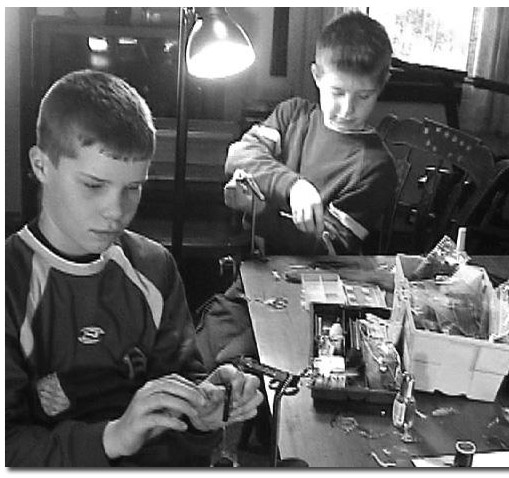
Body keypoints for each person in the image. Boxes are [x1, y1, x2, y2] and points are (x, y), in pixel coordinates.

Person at [5, 69, 263, 467]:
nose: (116, 211)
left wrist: (204, 403)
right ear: (41, 166)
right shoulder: (12, 284)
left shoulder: (152, 266)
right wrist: (113, 437)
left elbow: (180, 382)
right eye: (93, 185)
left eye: (133, 188)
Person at [196, 10, 397, 368]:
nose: (347, 109)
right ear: (316, 75)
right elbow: (240, 155)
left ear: (381, 87)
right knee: (202, 350)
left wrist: (261, 211)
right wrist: (294, 186)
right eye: (337, 91)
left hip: (321, 296)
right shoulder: (292, 115)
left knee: (240, 364)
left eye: (363, 96)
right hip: (256, 276)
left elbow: (327, 249)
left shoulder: (375, 167)